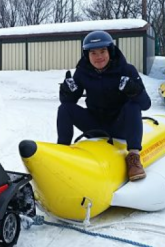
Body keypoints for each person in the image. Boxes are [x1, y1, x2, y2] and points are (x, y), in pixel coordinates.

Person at [57, 30, 151, 181]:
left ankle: (133, 157)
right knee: (64, 109)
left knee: (133, 105)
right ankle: (61, 152)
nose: (99, 57)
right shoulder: (82, 72)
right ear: (86, 55)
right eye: (93, 53)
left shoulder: (126, 70)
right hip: (96, 125)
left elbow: (145, 104)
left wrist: (134, 90)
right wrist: (67, 92)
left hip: (119, 126)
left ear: (110, 51)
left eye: (102, 51)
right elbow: (69, 103)